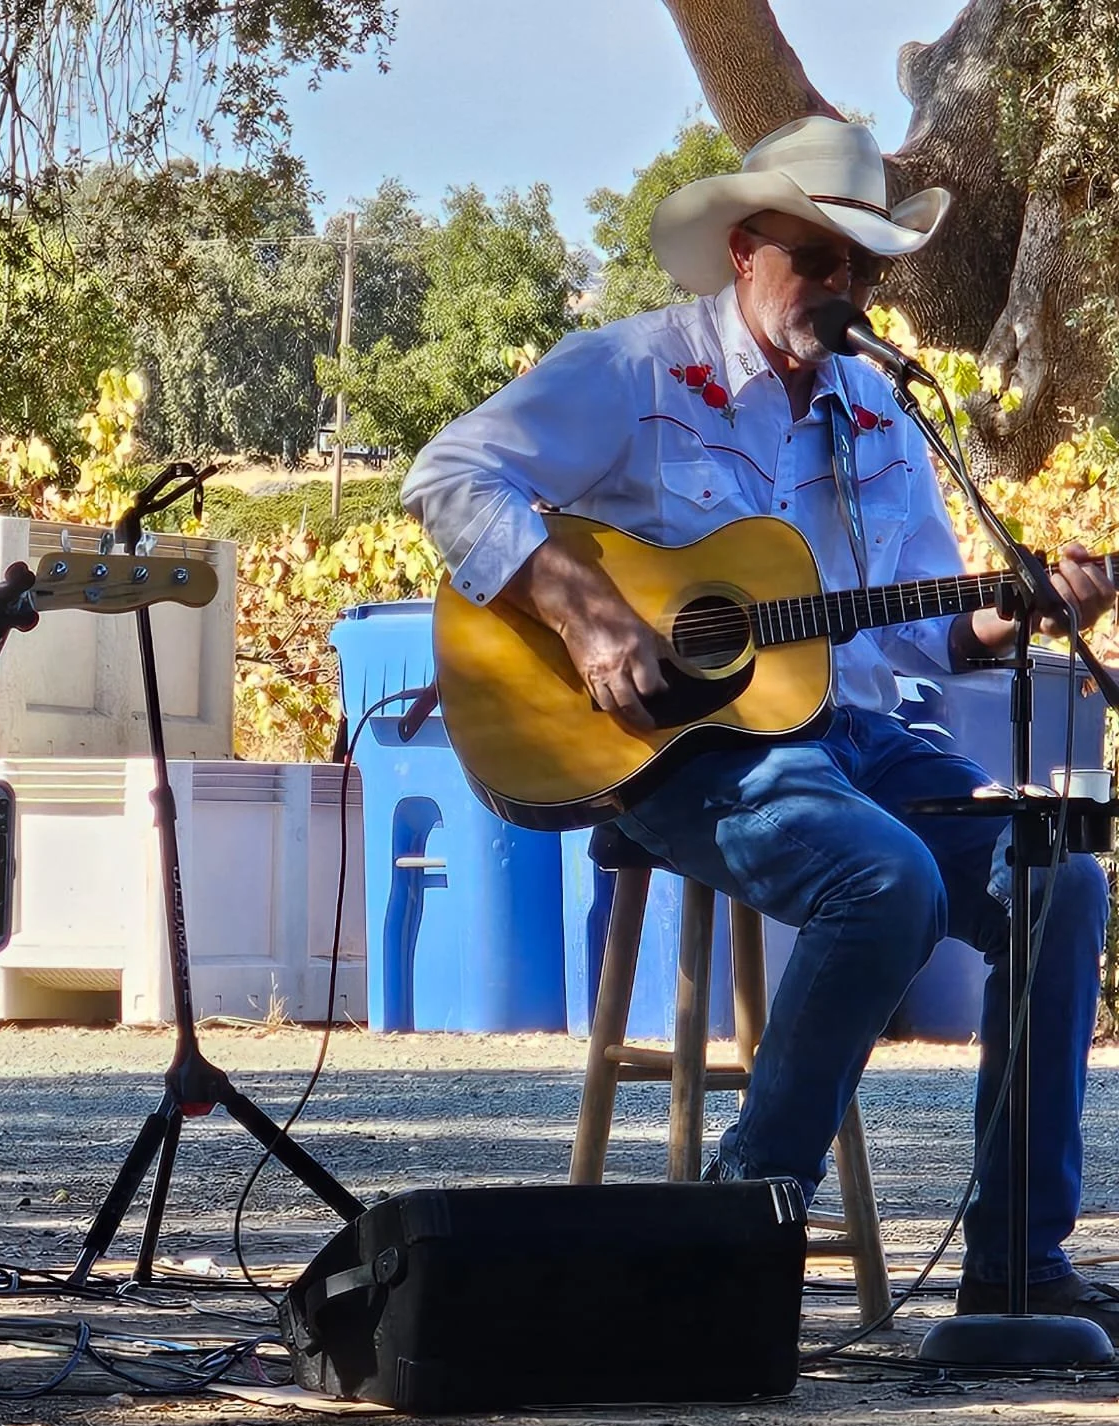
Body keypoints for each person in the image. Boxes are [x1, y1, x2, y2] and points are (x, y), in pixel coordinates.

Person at [405, 114, 1119, 1333]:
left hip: (846, 734)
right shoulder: (629, 370)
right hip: (675, 751)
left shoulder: (876, 414)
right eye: (816, 258)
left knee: (1059, 877)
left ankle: (1012, 1262)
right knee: (884, 880)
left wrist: (1011, 615)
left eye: (860, 268)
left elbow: (915, 626)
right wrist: (584, 615)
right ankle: (743, 1223)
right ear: (743, 251)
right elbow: (448, 477)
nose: (840, 289)